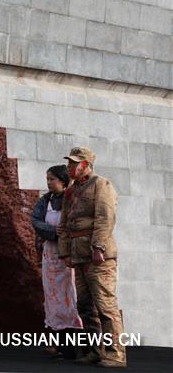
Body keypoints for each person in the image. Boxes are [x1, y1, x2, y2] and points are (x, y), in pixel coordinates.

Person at [57, 147, 126, 368]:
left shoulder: (101, 184)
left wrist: (99, 247)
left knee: (105, 304)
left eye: (73, 163)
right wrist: (65, 251)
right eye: (69, 163)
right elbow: (64, 223)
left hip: (99, 256)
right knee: (85, 305)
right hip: (79, 255)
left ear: (85, 164)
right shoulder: (71, 190)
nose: (69, 167)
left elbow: (105, 218)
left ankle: (116, 353)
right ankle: (96, 351)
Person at [31, 164, 82, 359]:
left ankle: (75, 348)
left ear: (63, 181)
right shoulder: (45, 200)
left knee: (71, 298)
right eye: (47, 179)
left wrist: (64, 233)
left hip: (69, 255)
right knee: (53, 299)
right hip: (50, 255)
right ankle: (59, 345)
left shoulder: (72, 198)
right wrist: (53, 231)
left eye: (52, 179)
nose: (49, 183)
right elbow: (36, 221)